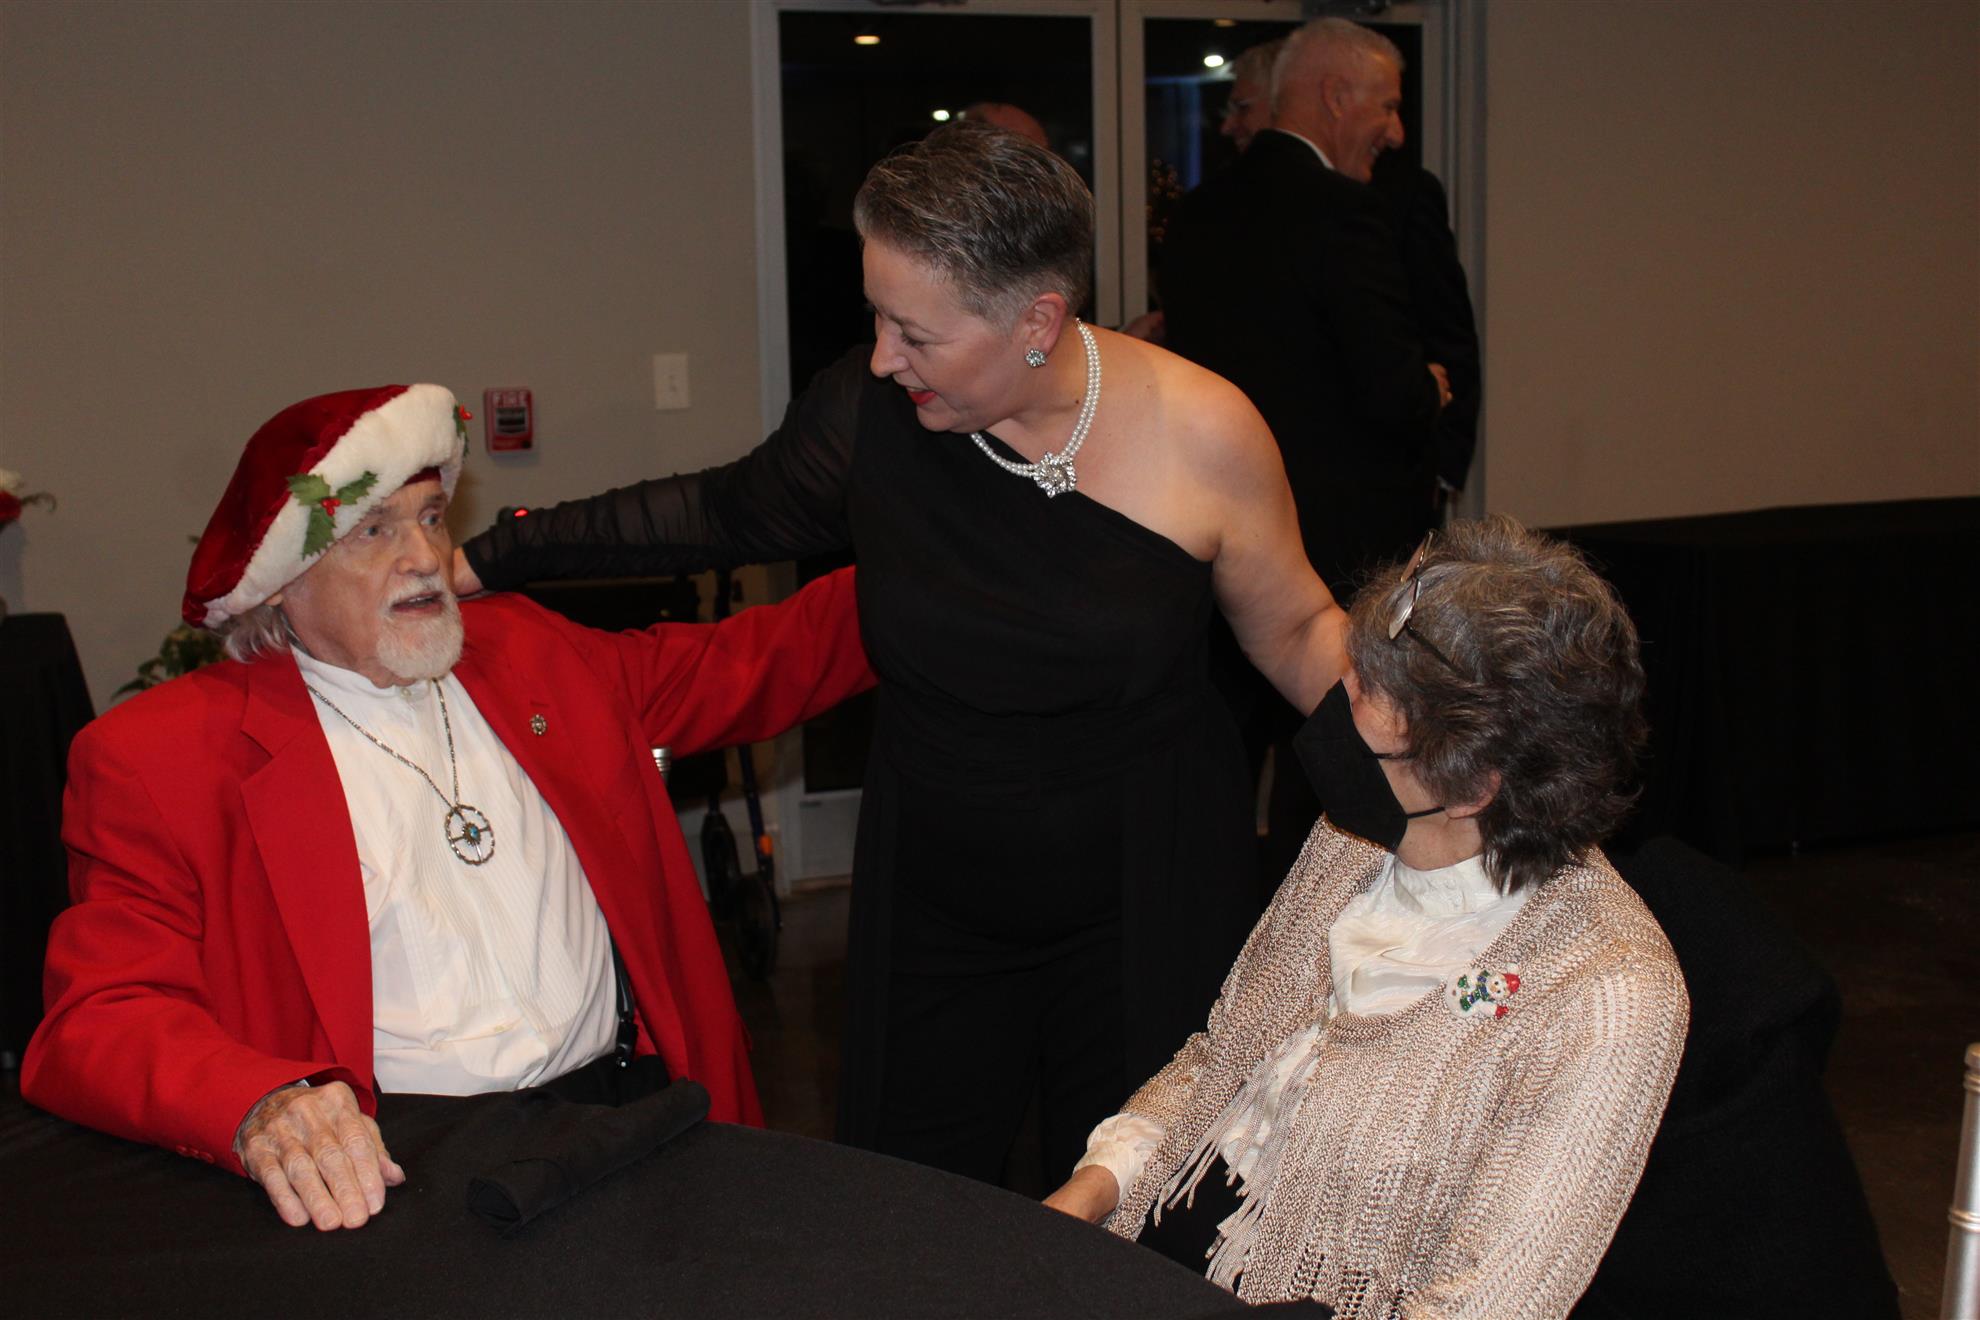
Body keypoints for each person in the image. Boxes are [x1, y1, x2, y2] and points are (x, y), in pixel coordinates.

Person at [453, 120, 1348, 1188]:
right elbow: (713, 512)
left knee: (1132, 1207)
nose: (883, 357)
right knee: (915, 1199)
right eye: (877, 318)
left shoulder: (1205, 431)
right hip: (938, 890)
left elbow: (1298, 632)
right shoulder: (869, 413)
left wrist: (1448, 779)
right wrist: (486, 559)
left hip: (1148, 886)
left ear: (1037, 320)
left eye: (914, 333)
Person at [22, 384, 872, 1231]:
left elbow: (763, 661)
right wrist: (262, 1105)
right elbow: (100, 1017)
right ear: (279, 578)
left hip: (629, 1122)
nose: (426, 556)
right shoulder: (162, 756)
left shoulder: (529, 652)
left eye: (431, 517)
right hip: (408, 1174)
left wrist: (930, 561)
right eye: (374, 530)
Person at [1045, 516, 1688, 1318]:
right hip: (1152, 1264)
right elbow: (1220, 1058)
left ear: (1472, 785)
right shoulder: (1351, 843)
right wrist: (1093, 1188)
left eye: (1362, 714)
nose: (1332, 730)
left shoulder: (1608, 996)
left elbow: (1485, 1306)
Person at [1159, 17, 1453, 880]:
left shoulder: (1199, 215)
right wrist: (1431, 386)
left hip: (1210, 535)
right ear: (1336, 96)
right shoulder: (1345, 214)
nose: (1394, 130)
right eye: (1387, 106)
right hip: (1334, 554)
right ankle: (1309, 926)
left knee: (1219, 753)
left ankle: (1212, 923)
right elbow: (1391, 391)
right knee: (1326, 769)